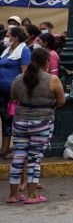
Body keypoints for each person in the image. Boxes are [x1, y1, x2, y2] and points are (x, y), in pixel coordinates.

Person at [8, 47, 64, 204]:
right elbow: (61, 101)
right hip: (42, 122)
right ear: (47, 62)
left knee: (18, 157)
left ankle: (14, 195)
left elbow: (13, 97)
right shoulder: (52, 80)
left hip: (19, 121)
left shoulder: (19, 78)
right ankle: (32, 195)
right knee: (34, 159)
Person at [1, 26, 33, 159]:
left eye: (8, 35)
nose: (6, 38)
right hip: (2, 91)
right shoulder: (7, 51)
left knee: (15, 120)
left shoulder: (24, 51)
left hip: (13, 92)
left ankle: (17, 149)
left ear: (16, 37)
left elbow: (25, 73)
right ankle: (4, 147)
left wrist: (18, 92)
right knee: (5, 119)